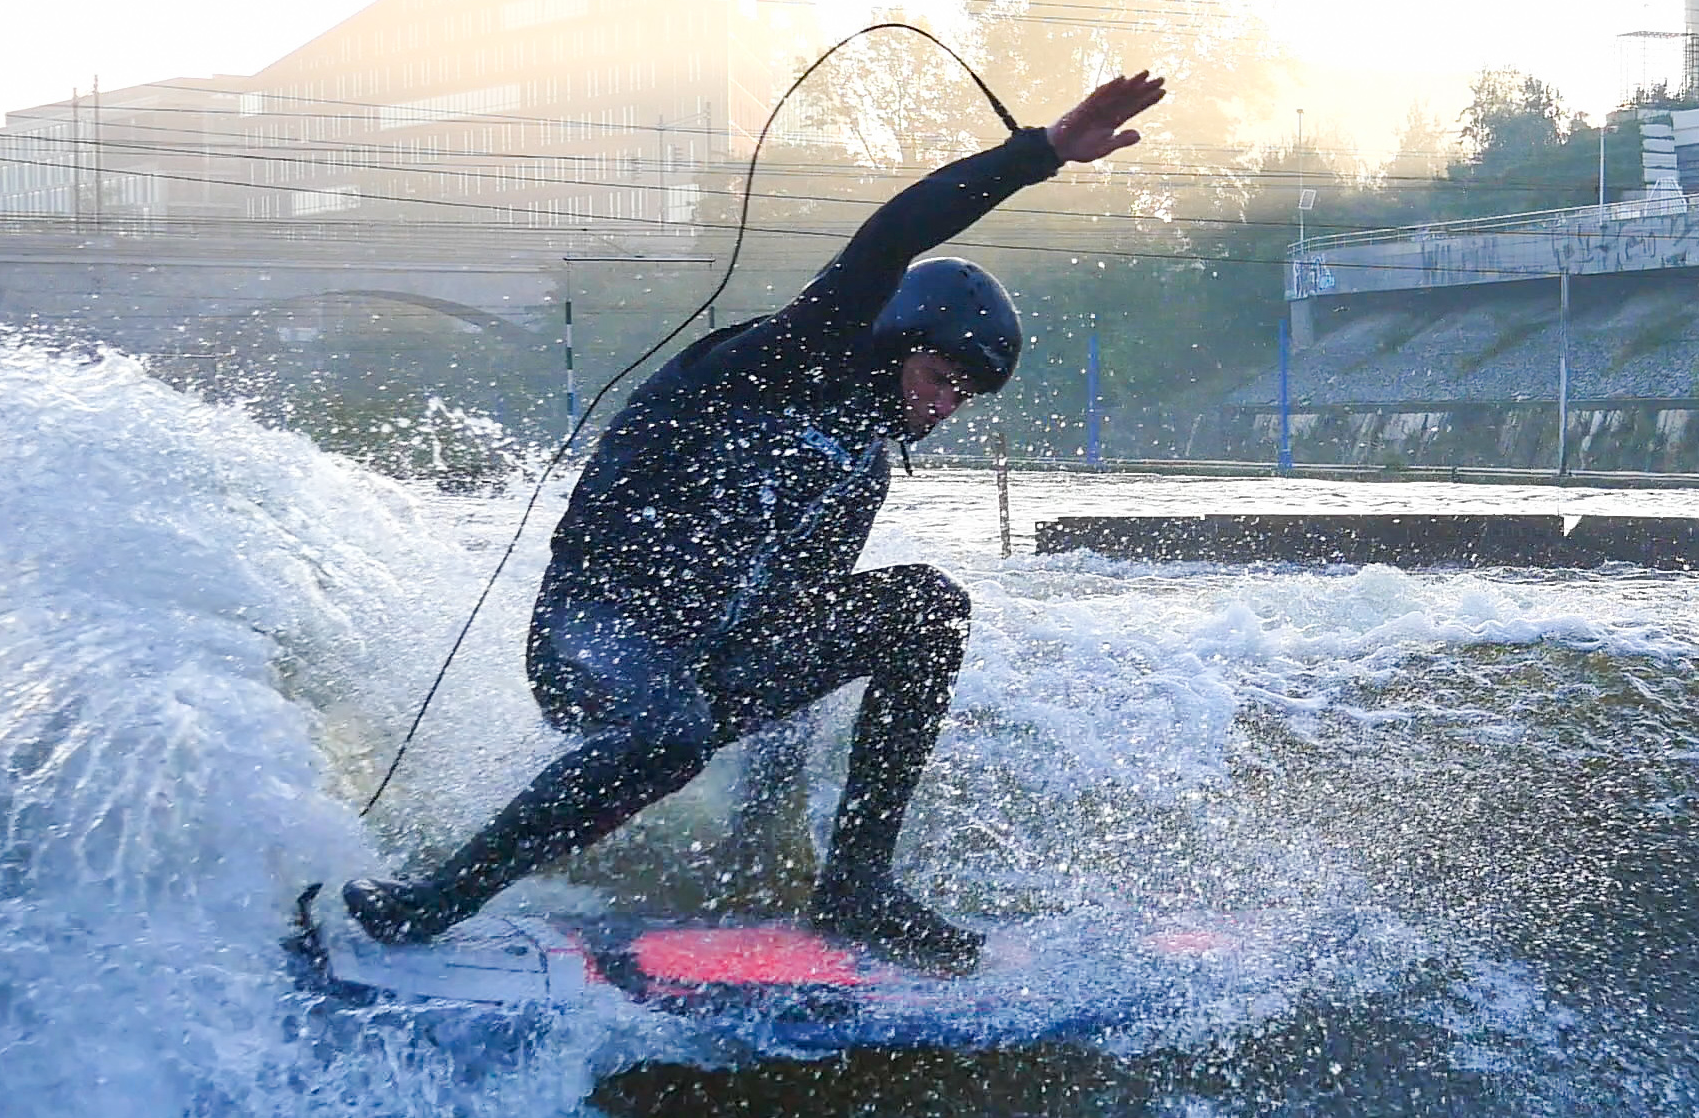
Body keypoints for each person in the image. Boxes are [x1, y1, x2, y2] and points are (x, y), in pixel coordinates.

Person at [344, 70, 1166, 972]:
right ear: (896, 338)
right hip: (591, 634)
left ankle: (853, 887)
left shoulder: (859, 468)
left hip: (702, 663)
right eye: (938, 378)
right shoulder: (784, 358)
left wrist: (762, 841)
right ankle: (435, 900)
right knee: (671, 731)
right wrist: (1041, 151)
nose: (943, 407)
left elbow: (795, 624)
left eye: (964, 397)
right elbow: (892, 235)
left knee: (925, 606)